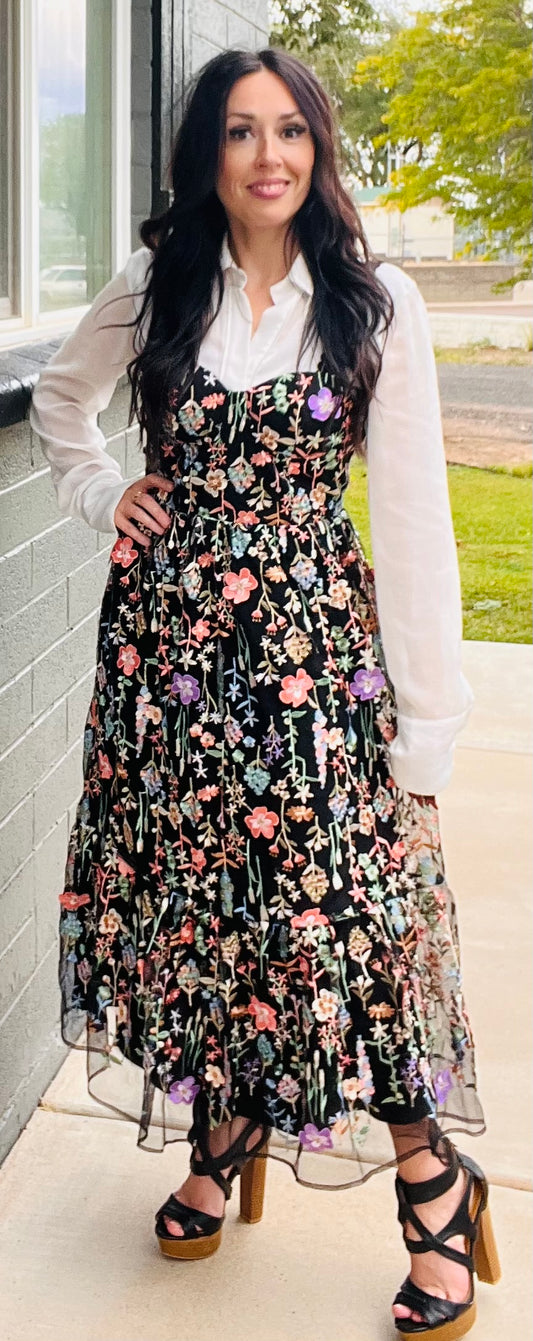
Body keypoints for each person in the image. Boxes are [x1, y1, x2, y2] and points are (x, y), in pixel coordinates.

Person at [29, 45, 500, 1339]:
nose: (269, 155)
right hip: (170, 658)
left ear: (318, 147)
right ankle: (225, 1119)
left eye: (290, 130)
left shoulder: (372, 301)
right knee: (202, 902)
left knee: (349, 912)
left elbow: (412, 528)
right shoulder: (157, 280)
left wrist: (425, 729)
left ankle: (431, 1181)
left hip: (310, 667)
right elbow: (63, 403)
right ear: (208, 154)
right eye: (241, 132)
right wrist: (96, 491)